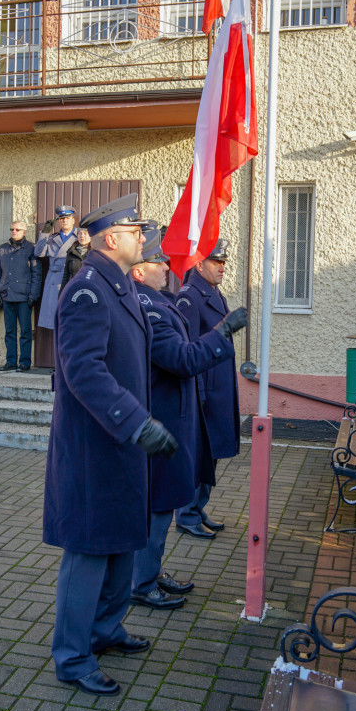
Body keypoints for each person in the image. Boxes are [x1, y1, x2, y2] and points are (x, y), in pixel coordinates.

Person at [43, 194, 178, 697]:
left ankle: (105, 630)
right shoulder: (87, 291)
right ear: (110, 239)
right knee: (89, 554)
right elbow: (82, 370)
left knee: (124, 542)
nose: (143, 237)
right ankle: (73, 656)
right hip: (94, 449)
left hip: (121, 444)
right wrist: (135, 423)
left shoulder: (117, 285)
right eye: (135, 230)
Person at [130, 225, 247, 608]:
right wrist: (223, 332)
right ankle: (141, 582)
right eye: (157, 260)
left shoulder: (159, 299)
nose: (166, 265)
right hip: (167, 412)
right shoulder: (162, 303)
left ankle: (150, 573)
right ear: (138, 270)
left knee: (162, 505)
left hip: (176, 409)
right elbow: (182, 357)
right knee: (158, 506)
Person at [175, 239, 242, 537]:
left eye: (224, 262)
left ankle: (198, 507)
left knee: (212, 452)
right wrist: (197, 394)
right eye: (216, 262)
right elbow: (187, 348)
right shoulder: (190, 297)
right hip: (205, 391)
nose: (222, 267)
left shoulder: (212, 291)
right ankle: (187, 514)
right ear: (199, 264)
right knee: (200, 453)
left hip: (219, 388)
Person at [0, 222, 42, 372]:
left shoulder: (31, 248)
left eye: (17, 229)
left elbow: (36, 274)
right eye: (12, 229)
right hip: (7, 296)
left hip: (24, 297)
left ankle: (25, 362)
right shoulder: (3, 248)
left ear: (24, 232)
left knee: (25, 332)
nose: (14, 231)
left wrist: (33, 295)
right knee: (9, 332)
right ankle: (11, 362)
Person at [35, 205, 78, 329]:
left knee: (71, 320)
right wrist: (44, 233)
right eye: (61, 218)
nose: (64, 220)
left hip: (71, 277)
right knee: (56, 322)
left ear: (73, 220)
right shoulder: (52, 238)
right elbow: (38, 253)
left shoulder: (80, 236)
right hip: (54, 281)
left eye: (67, 218)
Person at [59, 227, 91, 292]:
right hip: (74, 289)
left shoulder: (95, 252)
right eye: (80, 233)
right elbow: (66, 276)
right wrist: (61, 295)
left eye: (85, 233)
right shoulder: (71, 252)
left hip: (91, 290)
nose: (82, 236)